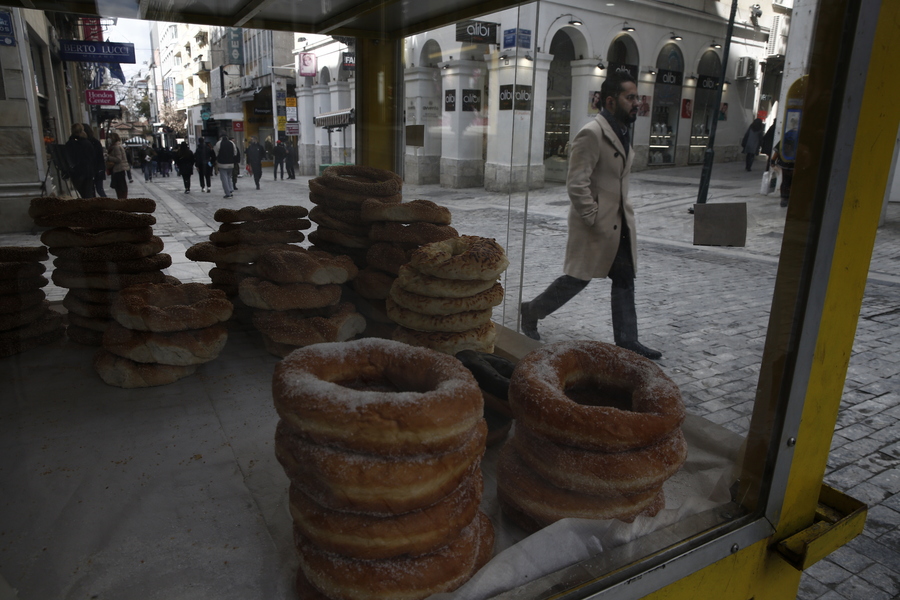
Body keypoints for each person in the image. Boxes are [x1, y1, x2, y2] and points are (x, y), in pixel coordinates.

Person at [519, 71, 661, 360]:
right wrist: (593, 216)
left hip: (619, 223)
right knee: (576, 280)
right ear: (611, 101)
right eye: (630, 97)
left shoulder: (622, 130)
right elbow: (576, 183)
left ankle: (628, 341)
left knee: (625, 279)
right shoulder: (592, 133)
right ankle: (531, 311)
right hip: (596, 226)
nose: (636, 102)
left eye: (637, 97)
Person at [64, 123, 95, 199]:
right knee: (88, 194)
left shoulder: (69, 144)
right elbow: (92, 157)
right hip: (86, 172)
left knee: (82, 193)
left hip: (75, 173)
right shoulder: (86, 143)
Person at [82, 123, 108, 197]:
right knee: (97, 189)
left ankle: (107, 203)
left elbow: (96, 157)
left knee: (98, 189)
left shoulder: (92, 143)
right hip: (97, 169)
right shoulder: (94, 142)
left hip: (96, 169)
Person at [771, 140, 795, 208]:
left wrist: (772, 160)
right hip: (788, 163)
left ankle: (785, 198)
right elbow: (779, 149)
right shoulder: (788, 137)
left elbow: (778, 150)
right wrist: (772, 160)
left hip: (786, 163)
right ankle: (785, 198)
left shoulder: (786, 137)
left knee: (786, 181)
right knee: (786, 181)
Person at [106, 133, 129, 199]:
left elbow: (118, 159)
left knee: (120, 187)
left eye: (109, 138)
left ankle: (122, 200)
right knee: (120, 187)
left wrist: (108, 157)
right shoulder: (117, 146)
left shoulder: (116, 147)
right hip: (118, 169)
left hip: (118, 169)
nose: (108, 139)